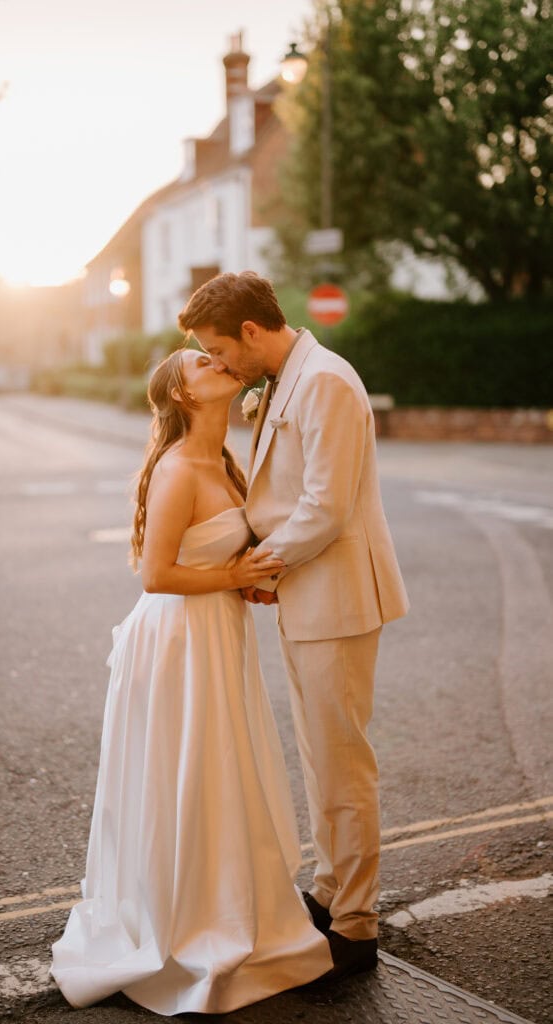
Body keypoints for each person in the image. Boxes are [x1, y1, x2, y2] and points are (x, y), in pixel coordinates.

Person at [49, 348, 332, 1016]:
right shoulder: (178, 468)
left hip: (214, 633)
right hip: (175, 640)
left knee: (218, 773)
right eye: (201, 362)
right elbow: (155, 575)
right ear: (182, 394)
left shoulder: (227, 461)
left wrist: (249, 585)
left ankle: (226, 903)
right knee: (186, 775)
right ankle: (185, 921)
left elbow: (220, 553)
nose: (219, 362)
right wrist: (233, 579)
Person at [178, 271, 409, 982]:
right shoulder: (285, 378)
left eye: (219, 349)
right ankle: (330, 890)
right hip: (310, 593)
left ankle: (356, 926)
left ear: (251, 331)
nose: (218, 365)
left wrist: (260, 568)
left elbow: (325, 507)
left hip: (337, 596)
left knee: (341, 761)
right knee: (317, 756)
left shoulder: (327, 383)